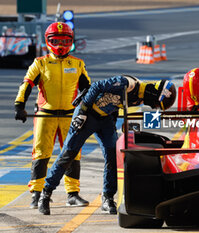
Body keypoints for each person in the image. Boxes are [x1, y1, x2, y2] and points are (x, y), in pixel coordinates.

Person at [37, 75, 177, 215]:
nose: (152, 106)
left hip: (106, 120)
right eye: (155, 103)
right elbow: (97, 86)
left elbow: (117, 105)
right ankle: (46, 194)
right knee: (68, 154)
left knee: (113, 156)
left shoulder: (139, 98)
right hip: (87, 116)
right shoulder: (128, 84)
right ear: (154, 94)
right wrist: (82, 112)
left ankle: (108, 198)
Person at [14, 22, 91, 209]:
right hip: (45, 116)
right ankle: (36, 194)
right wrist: (19, 106)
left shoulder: (78, 64)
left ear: (71, 42)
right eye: (55, 41)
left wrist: (92, 111)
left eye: (65, 41)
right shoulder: (40, 63)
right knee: (41, 154)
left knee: (73, 154)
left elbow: (89, 90)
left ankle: (72, 194)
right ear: (48, 41)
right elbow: (26, 85)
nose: (60, 45)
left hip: (70, 117)